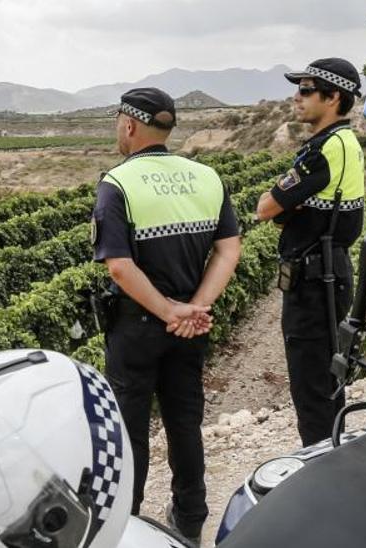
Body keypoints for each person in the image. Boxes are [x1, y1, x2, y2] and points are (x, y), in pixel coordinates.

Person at [92, 87, 242, 544]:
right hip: (189, 328)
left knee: (131, 431)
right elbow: (228, 249)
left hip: (137, 327)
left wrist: (167, 310)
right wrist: (195, 308)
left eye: (117, 121)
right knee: (184, 423)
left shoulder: (117, 184)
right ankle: (190, 522)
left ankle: (128, 527)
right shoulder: (206, 177)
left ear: (130, 124)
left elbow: (119, 265)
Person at [255, 58, 365, 447]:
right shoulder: (346, 142)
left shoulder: (321, 151)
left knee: (311, 383)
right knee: (326, 378)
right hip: (330, 273)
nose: (296, 97)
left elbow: (265, 207)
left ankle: (321, 466)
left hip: (314, 282)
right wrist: (288, 208)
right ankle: (332, 454)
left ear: (333, 97)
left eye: (305, 90)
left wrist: (283, 206)